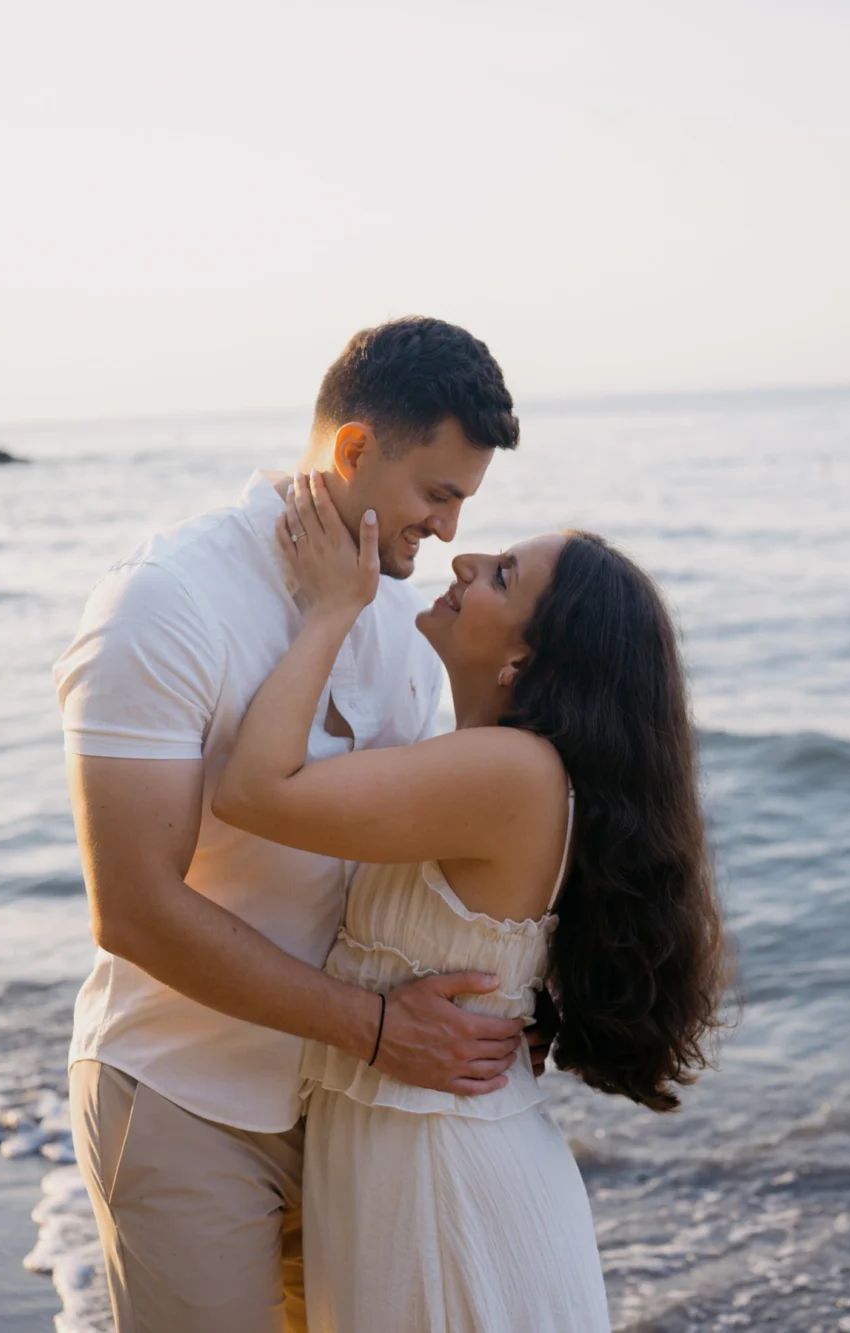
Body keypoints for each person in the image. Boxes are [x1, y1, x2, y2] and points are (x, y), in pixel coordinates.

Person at [54, 317, 534, 1333]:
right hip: (186, 1096)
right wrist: (372, 1028)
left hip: (346, 1112)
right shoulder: (167, 600)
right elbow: (132, 908)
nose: (448, 532)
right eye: (437, 494)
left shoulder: (405, 626)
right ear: (354, 449)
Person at [213, 473, 729, 1332]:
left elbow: (253, 791)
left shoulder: (510, 772)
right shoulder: (489, 765)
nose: (465, 559)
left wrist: (334, 607)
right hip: (427, 1154)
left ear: (524, 660)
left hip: (443, 1181)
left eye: (501, 576)